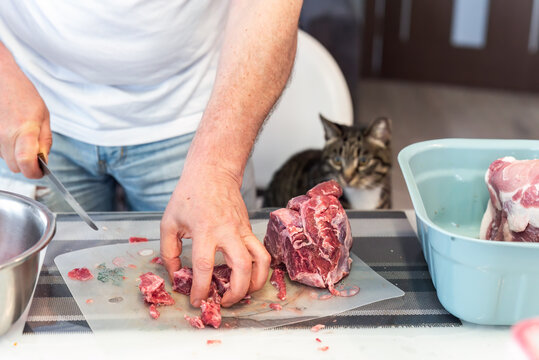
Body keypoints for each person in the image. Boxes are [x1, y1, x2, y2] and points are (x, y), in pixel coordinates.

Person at [0, 1, 303, 308]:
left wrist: (218, 168)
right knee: (38, 308)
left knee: (223, 293)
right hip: (24, 106)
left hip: (200, 117)